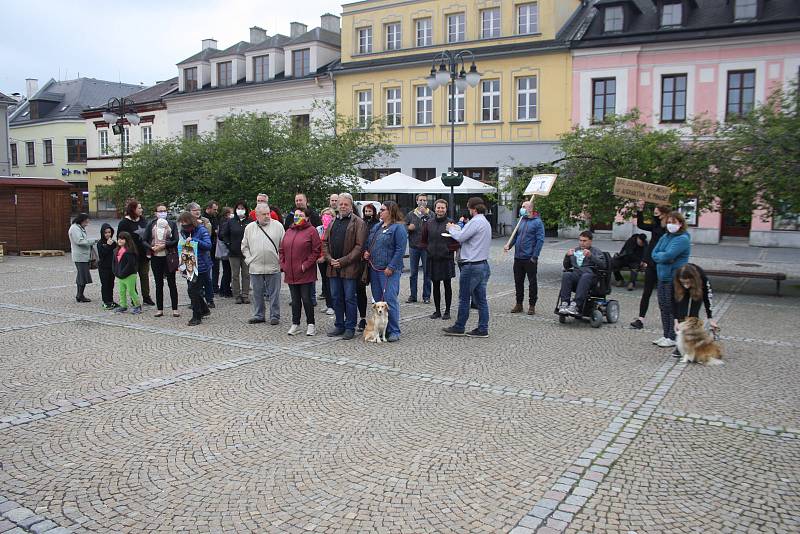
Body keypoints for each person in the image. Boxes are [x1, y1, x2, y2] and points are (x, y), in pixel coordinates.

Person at [442, 197, 492, 338]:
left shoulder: (476, 221)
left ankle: (459, 326)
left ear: (473, 209)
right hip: (482, 264)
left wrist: (451, 228)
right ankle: (483, 328)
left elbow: (460, 237)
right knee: (481, 299)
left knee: (464, 298)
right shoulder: (485, 222)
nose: (468, 211)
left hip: (472, 265)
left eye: (469, 208)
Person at [323, 193, 366, 340]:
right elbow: (325, 243)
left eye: (345, 204)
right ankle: (339, 324)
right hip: (333, 267)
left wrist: (343, 261)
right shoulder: (333, 221)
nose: (342, 206)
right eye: (340, 204)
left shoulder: (358, 222)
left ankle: (350, 327)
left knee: (349, 298)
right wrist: (329, 259)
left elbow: (359, 247)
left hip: (349, 267)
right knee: (336, 297)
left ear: (351, 206)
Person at [364, 200, 407, 342]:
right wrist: (367, 252)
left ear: (390, 211)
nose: (380, 212)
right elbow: (370, 242)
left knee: (389, 300)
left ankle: (394, 330)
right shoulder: (377, 226)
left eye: (383, 209)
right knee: (378, 301)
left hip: (389, 270)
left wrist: (392, 266)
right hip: (375, 268)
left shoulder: (398, 228)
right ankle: (382, 328)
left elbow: (400, 249)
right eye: (380, 209)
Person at [651, 211, 691, 348]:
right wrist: (662, 257)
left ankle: (673, 336)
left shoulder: (682, 239)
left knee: (671, 307)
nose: (670, 225)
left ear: (680, 223)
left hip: (674, 277)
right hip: (662, 276)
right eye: (668, 222)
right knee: (663, 306)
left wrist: (662, 257)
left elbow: (668, 255)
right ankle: (666, 334)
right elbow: (654, 253)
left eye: (673, 222)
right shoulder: (665, 236)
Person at [280, 207, 322, 336]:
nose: (297, 217)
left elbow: (316, 251)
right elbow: (282, 249)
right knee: (295, 300)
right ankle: (295, 323)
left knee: (307, 299)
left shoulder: (311, 231)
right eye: (296, 215)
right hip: (291, 272)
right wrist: (283, 264)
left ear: (307, 217)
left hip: (305, 272)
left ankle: (311, 324)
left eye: (301, 215)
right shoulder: (289, 231)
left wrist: (305, 265)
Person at [242, 203, 285, 325]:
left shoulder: (278, 226)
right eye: (264, 214)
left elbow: (284, 245)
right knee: (257, 293)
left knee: (274, 294)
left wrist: (280, 260)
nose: (267, 216)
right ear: (257, 215)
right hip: (256, 266)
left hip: (273, 265)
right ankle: (258, 315)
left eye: (268, 213)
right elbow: (244, 246)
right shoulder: (249, 228)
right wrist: (249, 260)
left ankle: (274, 315)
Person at [630, 203, 671, 329]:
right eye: (654, 213)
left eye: (657, 213)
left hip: (664, 264)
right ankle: (640, 319)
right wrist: (640, 210)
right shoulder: (655, 226)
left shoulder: (669, 228)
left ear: (664, 213)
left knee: (665, 294)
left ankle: (670, 321)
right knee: (646, 292)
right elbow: (641, 224)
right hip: (652, 263)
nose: (655, 215)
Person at [503, 200, 545, 315]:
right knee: (518, 282)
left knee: (532, 282)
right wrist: (509, 245)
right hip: (518, 257)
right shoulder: (520, 220)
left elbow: (540, 240)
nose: (521, 208)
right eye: (521, 206)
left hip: (530, 258)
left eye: (523, 206)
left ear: (530, 208)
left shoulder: (537, 222)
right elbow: (516, 236)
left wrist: (534, 256)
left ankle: (532, 305)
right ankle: (519, 304)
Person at [420, 199, 456, 320]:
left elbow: (456, 241)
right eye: (438, 208)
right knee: (435, 285)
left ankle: (447, 311)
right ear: (435, 209)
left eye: (442, 208)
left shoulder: (450, 223)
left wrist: (448, 250)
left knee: (447, 285)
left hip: (446, 259)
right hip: (433, 258)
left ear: (446, 209)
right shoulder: (429, 223)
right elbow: (423, 240)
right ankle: (437, 311)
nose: (440, 210)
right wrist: (428, 249)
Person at [557, 231, 607, 316]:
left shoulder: (596, 251)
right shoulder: (575, 250)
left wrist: (591, 256)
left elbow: (603, 265)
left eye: (584, 241)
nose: (582, 243)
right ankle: (564, 303)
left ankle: (576, 305)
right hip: (577, 275)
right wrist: (567, 256)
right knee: (567, 274)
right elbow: (567, 266)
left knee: (585, 276)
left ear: (590, 241)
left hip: (591, 277)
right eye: (580, 240)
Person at [673, 263, 717, 357]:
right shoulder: (676, 278)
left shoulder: (702, 277)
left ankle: (693, 343)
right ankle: (680, 345)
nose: (686, 286)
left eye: (688, 282)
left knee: (693, 316)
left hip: (697, 288)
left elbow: (707, 297)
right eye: (683, 282)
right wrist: (675, 320)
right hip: (681, 291)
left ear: (693, 279)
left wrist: (710, 318)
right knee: (682, 313)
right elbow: (673, 301)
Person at [143, 203, 180, 318]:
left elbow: (176, 240)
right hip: (155, 256)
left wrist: (164, 245)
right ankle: (160, 309)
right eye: (160, 211)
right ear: (156, 213)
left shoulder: (172, 224)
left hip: (169, 256)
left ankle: (175, 308)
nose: (162, 212)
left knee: (172, 283)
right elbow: (144, 240)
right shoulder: (151, 224)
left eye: (164, 210)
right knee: (159, 284)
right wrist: (151, 248)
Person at [177, 211, 213, 326]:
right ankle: (204, 309)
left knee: (193, 290)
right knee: (193, 290)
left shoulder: (201, 230)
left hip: (201, 266)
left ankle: (196, 316)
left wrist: (194, 241)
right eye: (182, 223)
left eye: (186, 223)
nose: (184, 226)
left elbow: (208, 245)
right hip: (189, 263)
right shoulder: (183, 232)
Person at [117, 200, 154, 306]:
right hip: (131, 255)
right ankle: (135, 299)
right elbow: (120, 239)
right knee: (132, 278)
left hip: (144, 254)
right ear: (133, 209)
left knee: (144, 276)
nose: (141, 210)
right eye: (139, 208)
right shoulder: (124, 223)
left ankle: (146, 297)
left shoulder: (143, 220)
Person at [356, 203, 381, 331]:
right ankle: (362, 318)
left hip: (374, 261)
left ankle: (380, 319)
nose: (368, 212)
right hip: (362, 261)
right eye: (366, 210)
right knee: (360, 289)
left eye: (370, 210)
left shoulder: (378, 225)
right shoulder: (360, 223)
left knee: (377, 291)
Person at [221, 200, 251, 304]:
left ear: (246, 210)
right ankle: (237, 295)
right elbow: (224, 235)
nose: (240, 210)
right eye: (239, 208)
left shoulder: (250, 221)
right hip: (233, 253)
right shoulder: (231, 221)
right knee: (235, 275)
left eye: (242, 208)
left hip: (247, 252)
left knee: (246, 274)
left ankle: (245, 294)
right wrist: (229, 244)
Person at [405, 193, 432, 304]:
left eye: (424, 200)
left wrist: (426, 215)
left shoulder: (431, 214)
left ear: (427, 202)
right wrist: (408, 227)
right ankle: (413, 295)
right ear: (416, 201)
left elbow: (435, 225)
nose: (422, 202)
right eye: (420, 200)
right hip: (414, 247)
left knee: (427, 273)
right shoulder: (411, 214)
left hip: (426, 247)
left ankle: (426, 296)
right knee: (413, 273)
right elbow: (403, 227)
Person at [187, 202, 215, 308]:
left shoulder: (205, 222)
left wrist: (199, 226)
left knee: (207, 279)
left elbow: (208, 236)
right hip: (190, 255)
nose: (197, 211)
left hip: (203, 254)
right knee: (191, 280)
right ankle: (194, 300)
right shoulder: (186, 223)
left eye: (199, 209)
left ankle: (209, 299)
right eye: (194, 210)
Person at [68, 213, 97, 303]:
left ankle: (80, 294)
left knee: (82, 276)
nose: (87, 223)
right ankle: (80, 295)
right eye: (86, 221)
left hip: (83, 256)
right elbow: (79, 241)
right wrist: (93, 241)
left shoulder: (79, 227)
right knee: (82, 276)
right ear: (82, 220)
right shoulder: (75, 228)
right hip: (80, 256)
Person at [112, 231, 142, 314]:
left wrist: (123, 272)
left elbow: (130, 264)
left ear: (127, 240)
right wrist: (115, 271)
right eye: (119, 239)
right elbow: (114, 262)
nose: (120, 240)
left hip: (129, 275)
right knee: (121, 291)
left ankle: (137, 305)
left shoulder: (130, 251)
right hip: (119, 275)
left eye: (122, 239)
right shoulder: (116, 250)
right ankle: (123, 305)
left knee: (131, 290)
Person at [317, 208, 335, 316]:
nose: (326, 217)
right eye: (324, 215)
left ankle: (332, 305)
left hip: (330, 259)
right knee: (325, 281)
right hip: (320, 260)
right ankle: (328, 304)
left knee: (330, 282)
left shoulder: (335, 228)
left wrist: (325, 257)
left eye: (329, 215)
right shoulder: (318, 229)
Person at [97, 223, 118, 309]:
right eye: (105, 232)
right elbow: (102, 255)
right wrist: (108, 246)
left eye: (109, 232)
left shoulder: (113, 243)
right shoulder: (100, 243)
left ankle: (111, 300)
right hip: (103, 267)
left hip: (111, 267)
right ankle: (106, 301)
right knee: (105, 284)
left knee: (111, 284)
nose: (107, 234)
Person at [204, 200, 220, 294]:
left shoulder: (215, 217)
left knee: (216, 266)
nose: (216, 211)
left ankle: (215, 286)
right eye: (214, 209)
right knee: (207, 267)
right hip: (207, 244)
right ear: (209, 208)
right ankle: (207, 286)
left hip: (215, 244)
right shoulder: (203, 218)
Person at [216, 206, 233, 297]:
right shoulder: (225, 222)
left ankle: (223, 289)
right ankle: (225, 290)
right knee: (228, 271)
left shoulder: (222, 221)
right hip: (226, 249)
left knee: (226, 270)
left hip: (224, 249)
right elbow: (222, 236)